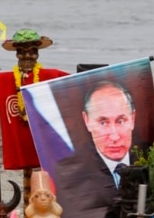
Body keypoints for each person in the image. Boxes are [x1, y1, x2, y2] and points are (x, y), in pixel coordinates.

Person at [0, 28, 69, 205]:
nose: (27, 57)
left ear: (37, 54)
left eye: (32, 52)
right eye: (21, 52)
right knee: (28, 186)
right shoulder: (5, 80)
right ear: (16, 54)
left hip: (43, 140)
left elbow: (75, 84)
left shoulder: (50, 77)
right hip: (19, 141)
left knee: (45, 184)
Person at [53, 81, 137, 218]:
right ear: (87, 121)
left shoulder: (152, 161)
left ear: (133, 119)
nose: (114, 136)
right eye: (103, 123)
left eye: (121, 121)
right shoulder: (70, 172)